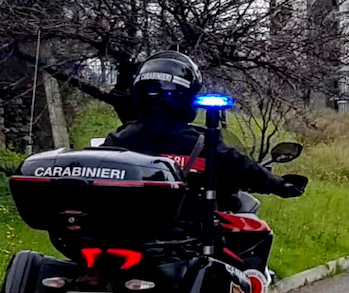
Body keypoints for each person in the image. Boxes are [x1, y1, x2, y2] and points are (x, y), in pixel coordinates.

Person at [104, 51, 304, 212]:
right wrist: (279, 184)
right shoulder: (200, 144)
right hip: (182, 243)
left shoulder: (118, 140)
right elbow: (241, 167)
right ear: (186, 95)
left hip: (120, 236)